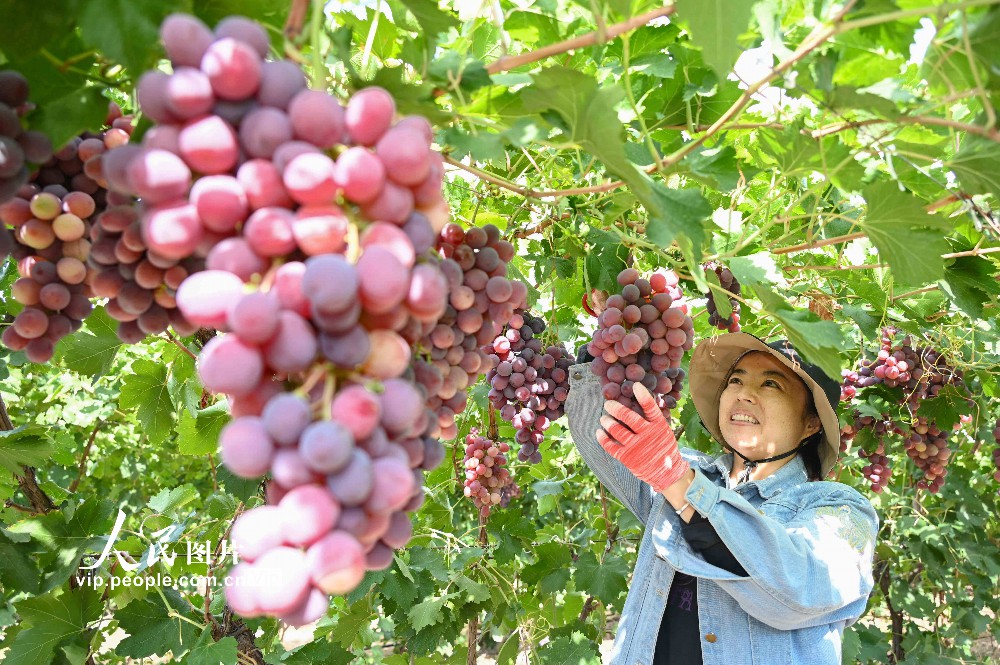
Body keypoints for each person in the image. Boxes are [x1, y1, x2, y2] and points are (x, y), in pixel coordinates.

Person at [565, 331, 879, 665]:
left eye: (771, 384)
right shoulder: (685, 469)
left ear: (811, 424)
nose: (744, 394)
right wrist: (607, 356)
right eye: (735, 380)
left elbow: (797, 589)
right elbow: (602, 437)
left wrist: (677, 481)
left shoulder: (841, 508)